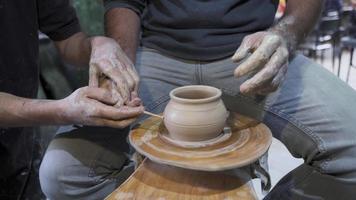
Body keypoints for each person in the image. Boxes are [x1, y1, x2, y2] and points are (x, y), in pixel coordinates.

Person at [40, 0, 356, 200]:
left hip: (251, 50)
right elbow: (125, 2)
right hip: (157, 52)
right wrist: (122, 59)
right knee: (62, 172)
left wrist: (285, 35)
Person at [0, 0, 144, 199]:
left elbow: (68, 41)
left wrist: (97, 45)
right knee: (59, 174)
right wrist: (63, 110)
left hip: (19, 141)